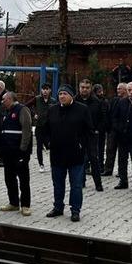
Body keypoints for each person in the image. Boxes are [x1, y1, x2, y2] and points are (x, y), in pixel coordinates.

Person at [40, 85, 93, 222]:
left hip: (76, 154)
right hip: (57, 154)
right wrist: (48, 143)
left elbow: (89, 131)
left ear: (71, 95)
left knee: (76, 184)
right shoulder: (52, 110)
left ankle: (75, 210)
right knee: (58, 183)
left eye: (65, 94)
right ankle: (58, 207)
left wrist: (82, 145)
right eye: (60, 94)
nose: (62, 96)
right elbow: (44, 129)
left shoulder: (82, 109)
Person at [0, 92, 33, 216]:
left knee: (23, 179)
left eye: (4, 99)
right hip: (7, 152)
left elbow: (26, 130)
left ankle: (25, 205)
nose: (2, 101)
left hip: (19, 152)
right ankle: (13, 203)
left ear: (10, 99)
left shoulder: (22, 110)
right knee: (9, 178)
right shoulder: (5, 111)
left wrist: (23, 149)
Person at [75, 79, 104, 191]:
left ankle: (98, 183)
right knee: (79, 159)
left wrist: (97, 130)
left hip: (91, 135)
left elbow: (102, 118)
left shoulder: (97, 102)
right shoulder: (74, 101)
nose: (84, 89)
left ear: (91, 88)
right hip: (77, 135)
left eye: (87, 88)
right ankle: (81, 181)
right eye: (82, 87)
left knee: (93, 159)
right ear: (79, 88)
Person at [103, 83, 127, 177]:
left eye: (120, 89)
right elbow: (109, 113)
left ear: (125, 90)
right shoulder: (114, 100)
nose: (118, 90)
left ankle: (121, 171)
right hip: (112, 129)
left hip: (123, 130)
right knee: (110, 150)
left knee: (122, 153)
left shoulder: (128, 101)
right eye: (117, 88)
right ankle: (108, 169)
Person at [32, 83, 56, 173]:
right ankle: (41, 165)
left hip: (49, 127)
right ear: (41, 90)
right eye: (43, 89)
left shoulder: (53, 101)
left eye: (47, 89)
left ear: (50, 90)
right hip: (39, 126)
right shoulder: (37, 99)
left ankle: (53, 164)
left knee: (51, 146)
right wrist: (34, 113)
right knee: (39, 146)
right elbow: (27, 106)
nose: (45, 91)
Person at [92, 83, 109, 174]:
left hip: (100, 128)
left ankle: (100, 166)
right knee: (97, 149)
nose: (101, 93)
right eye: (99, 91)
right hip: (97, 128)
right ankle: (98, 166)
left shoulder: (103, 101)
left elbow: (104, 115)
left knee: (99, 149)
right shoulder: (100, 101)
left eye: (101, 91)